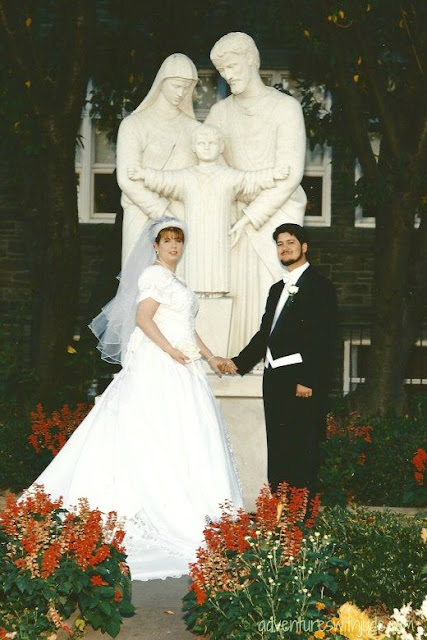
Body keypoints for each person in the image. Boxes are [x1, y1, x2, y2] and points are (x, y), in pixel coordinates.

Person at [28, 216, 243, 581]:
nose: (173, 246)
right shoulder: (154, 276)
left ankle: (191, 504)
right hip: (161, 364)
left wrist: (210, 357)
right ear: (155, 246)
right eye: (167, 240)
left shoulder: (176, 281)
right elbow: (144, 319)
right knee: (155, 433)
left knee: (186, 435)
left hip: (183, 364)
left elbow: (187, 329)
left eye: (178, 240)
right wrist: (170, 351)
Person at [206, 32, 307, 354]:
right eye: (222, 71)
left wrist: (251, 216)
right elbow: (211, 170)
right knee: (235, 289)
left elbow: (289, 175)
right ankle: (234, 359)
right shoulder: (219, 113)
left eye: (233, 66)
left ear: (252, 59)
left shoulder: (286, 108)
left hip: (275, 214)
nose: (228, 75)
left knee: (272, 287)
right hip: (233, 215)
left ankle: (272, 361)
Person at [222, 223, 337, 494]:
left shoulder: (320, 286)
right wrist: (238, 362)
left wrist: (308, 380)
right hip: (274, 379)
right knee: (278, 448)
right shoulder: (277, 289)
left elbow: (325, 338)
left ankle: (300, 514)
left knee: (302, 450)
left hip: (300, 382)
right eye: (280, 244)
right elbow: (266, 334)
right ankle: (278, 512)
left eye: (290, 242)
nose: (284, 248)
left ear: (304, 247)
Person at [127, 123, 290, 295]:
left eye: (212, 143)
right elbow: (164, 180)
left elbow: (251, 180)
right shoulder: (186, 176)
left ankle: (217, 294)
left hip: (219, 237)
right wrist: (143, 174)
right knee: (193, 279)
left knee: (218, 278)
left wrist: (273, 174)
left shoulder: (229, 176)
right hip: (194, 237)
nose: (206, 147)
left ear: (221, 147)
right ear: (193, 147)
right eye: (201, 143)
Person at [116, 53, 199, 266]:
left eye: (186, 87)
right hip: (141, 214)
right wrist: (162, 213)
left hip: (181, 215)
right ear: (162, 82)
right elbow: (126, 179)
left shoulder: (195, 129)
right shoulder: (134, 124)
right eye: (176, 85)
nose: (181, 93)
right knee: (142, 277)